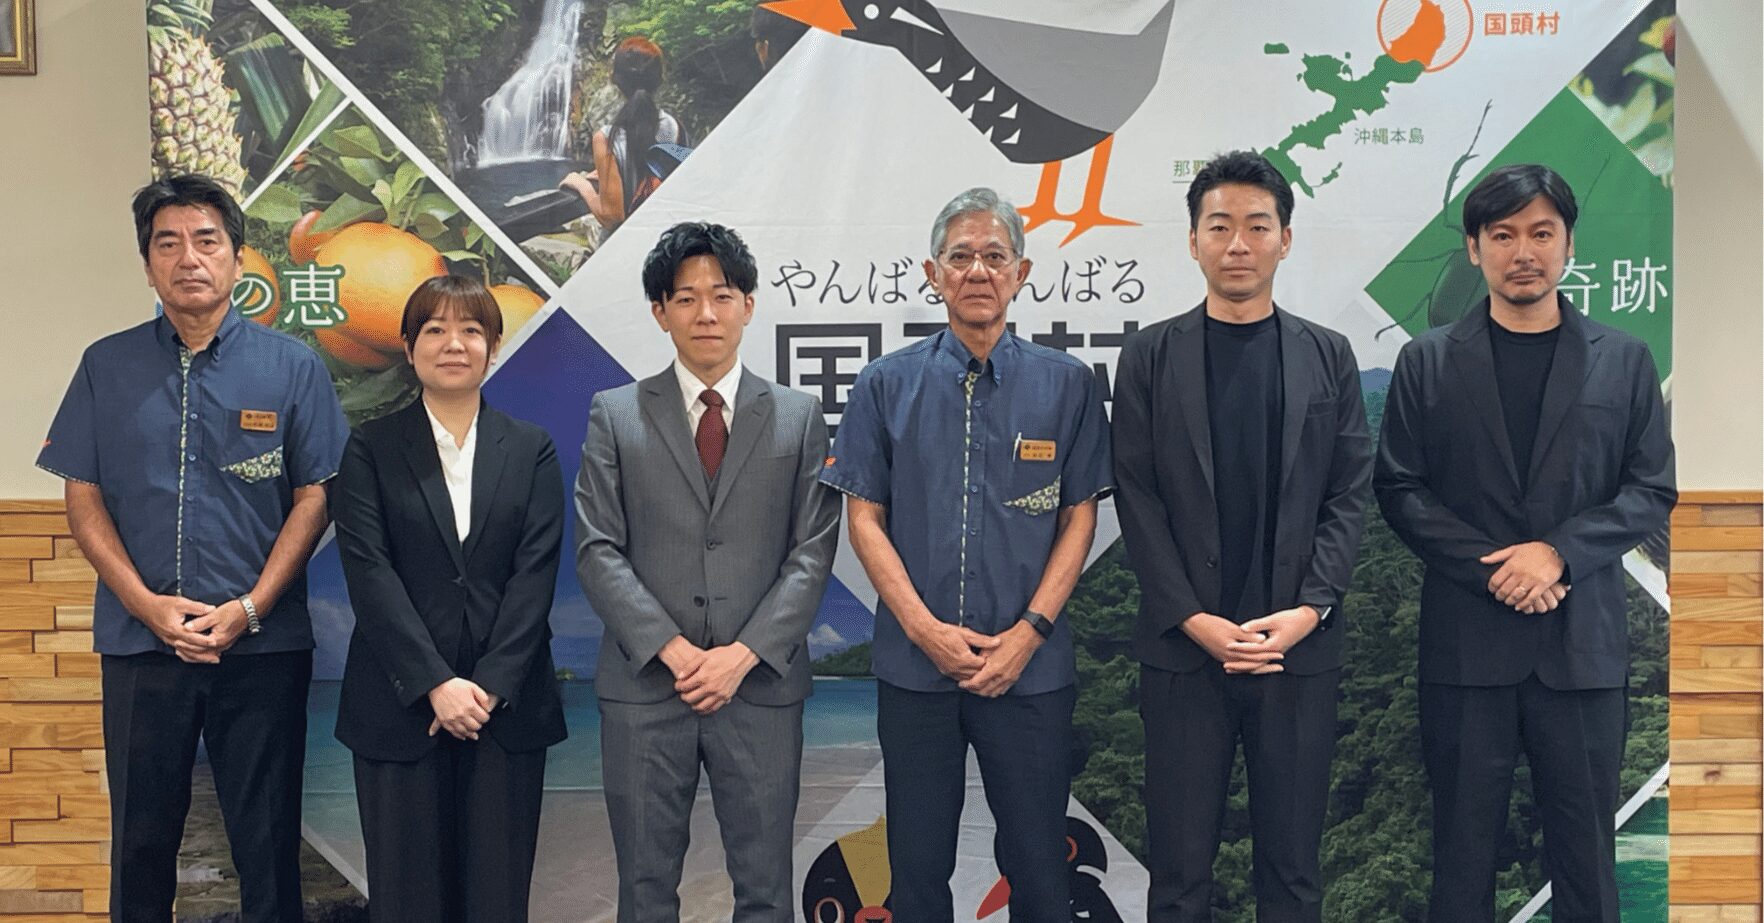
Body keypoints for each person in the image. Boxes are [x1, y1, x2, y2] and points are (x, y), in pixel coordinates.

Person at [36, 174, 349, 922]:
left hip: (262, 647)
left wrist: (251, 606)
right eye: (167, 244)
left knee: (267, 845)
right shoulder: (105, 365)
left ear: (238, 259)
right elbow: (83, 494)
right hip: (141, 648)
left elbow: (316, 495)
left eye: (207, 241)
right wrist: (144, 605)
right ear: (147, 265)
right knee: (141, 844)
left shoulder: (292, 366)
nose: (189, 259)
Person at [1374, 163, 1676, 922]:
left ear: (1569, 244)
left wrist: (1557, 553)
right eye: (1503, 235)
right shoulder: (1427, 360)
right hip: (1466, 649)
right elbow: (1400, 487)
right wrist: (1496, 570)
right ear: (1474, 249)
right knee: (1460, 858)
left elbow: (1650, 488)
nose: (1524, 252)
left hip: (1582, 650)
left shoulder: (1624, 358)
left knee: (1587, 862)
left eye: (1542, 233)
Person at [820, 187, 1113, 922]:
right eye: (960, 256)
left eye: (994, 256)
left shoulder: (1068, 384)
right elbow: (864, 517)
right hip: (916, 673)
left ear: (1021, 273)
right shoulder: (884, 383)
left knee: (1040, 871)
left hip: (1031, 672)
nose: (978, 270)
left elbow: (1080, 515)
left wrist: (1029, 634)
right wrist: (925, 631)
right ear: (933, 273)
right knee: (917, 874)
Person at [1111, 150, 1373, 922]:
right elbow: (1137, 497)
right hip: (1184, 655)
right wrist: (1192, 618)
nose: (1238, 243)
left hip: (1297, 653)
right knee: (1179, 875)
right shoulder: (1149, 355)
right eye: (1219, 225)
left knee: (1292, 874)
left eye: (1257, 226)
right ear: (1192, 240)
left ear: (1284, 240)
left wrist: (1310, 609)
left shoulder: (1328, 354)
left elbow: (1347, 493)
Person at [575, 221, 840, 921]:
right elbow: (597, 548)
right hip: (645, 690)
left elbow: (812, 551)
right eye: (686, 298)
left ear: (748, 305)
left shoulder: (798, 416)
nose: (706, 313)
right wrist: (675, 650)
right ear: (660, 312)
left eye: (722, 296)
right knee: (645, 892)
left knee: (766, 892)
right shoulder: (616, 414)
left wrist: (740, 656)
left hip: (760, 690)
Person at [332, 275, 567, 922]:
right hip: (399, 707)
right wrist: (435, 683)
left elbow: (535, 574)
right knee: (407, 901)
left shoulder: (531, 448)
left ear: (494, 346)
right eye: (434, 329)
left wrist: (487, 686)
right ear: (409, 349)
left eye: (470, 330)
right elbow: (369, 572)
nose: (453, 344)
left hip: (505, 713)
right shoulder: (371, 446)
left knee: (497, 899)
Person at [560, 37, 691, 233]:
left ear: (615, 79)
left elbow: (612, 216)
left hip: (625, 245)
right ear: (659, 80)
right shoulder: (675, 127)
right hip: (667, 236)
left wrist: (581, 185)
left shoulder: (606, 139)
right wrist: (609, 173)